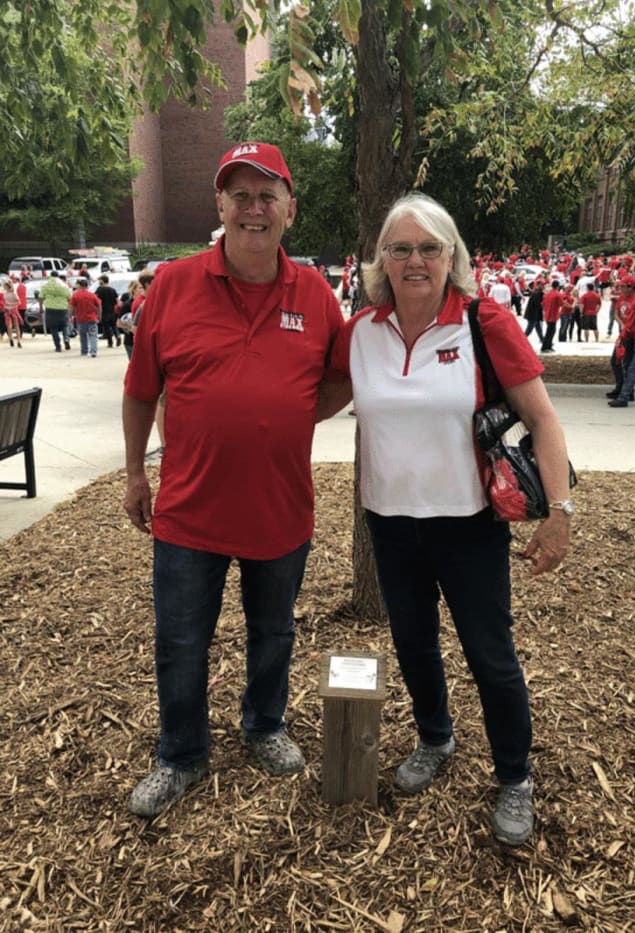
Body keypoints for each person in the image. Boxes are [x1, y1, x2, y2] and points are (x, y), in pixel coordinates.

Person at [319, 193, 573, 846]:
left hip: (469, 526)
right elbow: (308, 397)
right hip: (391, 523)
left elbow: (543, 419)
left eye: (429, 247)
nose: (414, 260)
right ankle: (435, 736)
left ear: (451, 255)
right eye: (400, 248)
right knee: (413, 643)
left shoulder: (483, 323)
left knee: (491, 655)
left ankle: (514, 775)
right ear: (381, 259)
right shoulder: (363, 332)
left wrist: (560, 511)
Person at [122, 142, 344, 819]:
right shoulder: (173, 285)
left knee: (273, 631)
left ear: (289, 210)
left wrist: (286, 409)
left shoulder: (315, 293)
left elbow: (337, 377)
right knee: (181, 639)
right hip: (190, 510)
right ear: (220, 205)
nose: (253, 208)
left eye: (267, 194)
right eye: (239, 194)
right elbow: (140, 390)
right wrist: (135, 472)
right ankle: (181, 753)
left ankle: (264, 724)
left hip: (280, 508)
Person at [39, 271, 72, 351]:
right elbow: (69, 297)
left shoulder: (46, 285)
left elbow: (41, 297)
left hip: (50, 309)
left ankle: (58, 346)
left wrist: (41, 307)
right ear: (58, 276)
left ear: (50, 276)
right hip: (63, 308)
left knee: (53, 328)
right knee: (65, 325)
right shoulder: (64, 285)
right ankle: (66, 338)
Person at [70, 278, 102, 357]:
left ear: (80, 286)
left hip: (81, 319)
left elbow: (71, 307)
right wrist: (99, 316)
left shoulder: (75, 295)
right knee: (93, 335)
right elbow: (99, 306)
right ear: (87, 286)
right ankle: (93, 351)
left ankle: (84, 351)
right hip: (92, 318)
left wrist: (70, 316)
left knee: (83, 336)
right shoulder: (92, 295)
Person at [95, 275, 121, 348]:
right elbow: (117, 301)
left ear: (102, 281)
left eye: (99, 280)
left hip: (104, 311)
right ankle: (118, 336)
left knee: (107, 328)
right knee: (113, 326)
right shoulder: (113, 290)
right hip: (112, 311)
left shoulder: (100, 290)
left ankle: (110, 342)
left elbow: (96, 300)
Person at [1, 279, 23, 347]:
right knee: (14, 326)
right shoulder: (12, 293)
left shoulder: (6, 294)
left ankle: (13, 340)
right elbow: (18, 302)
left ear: (7, 286)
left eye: (4, 286)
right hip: (12, 310)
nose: (4, 287)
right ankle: (16, 341)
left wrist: (9, 304)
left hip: (9, 310)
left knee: (11, 326)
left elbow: (18, 302)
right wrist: (12, 305)